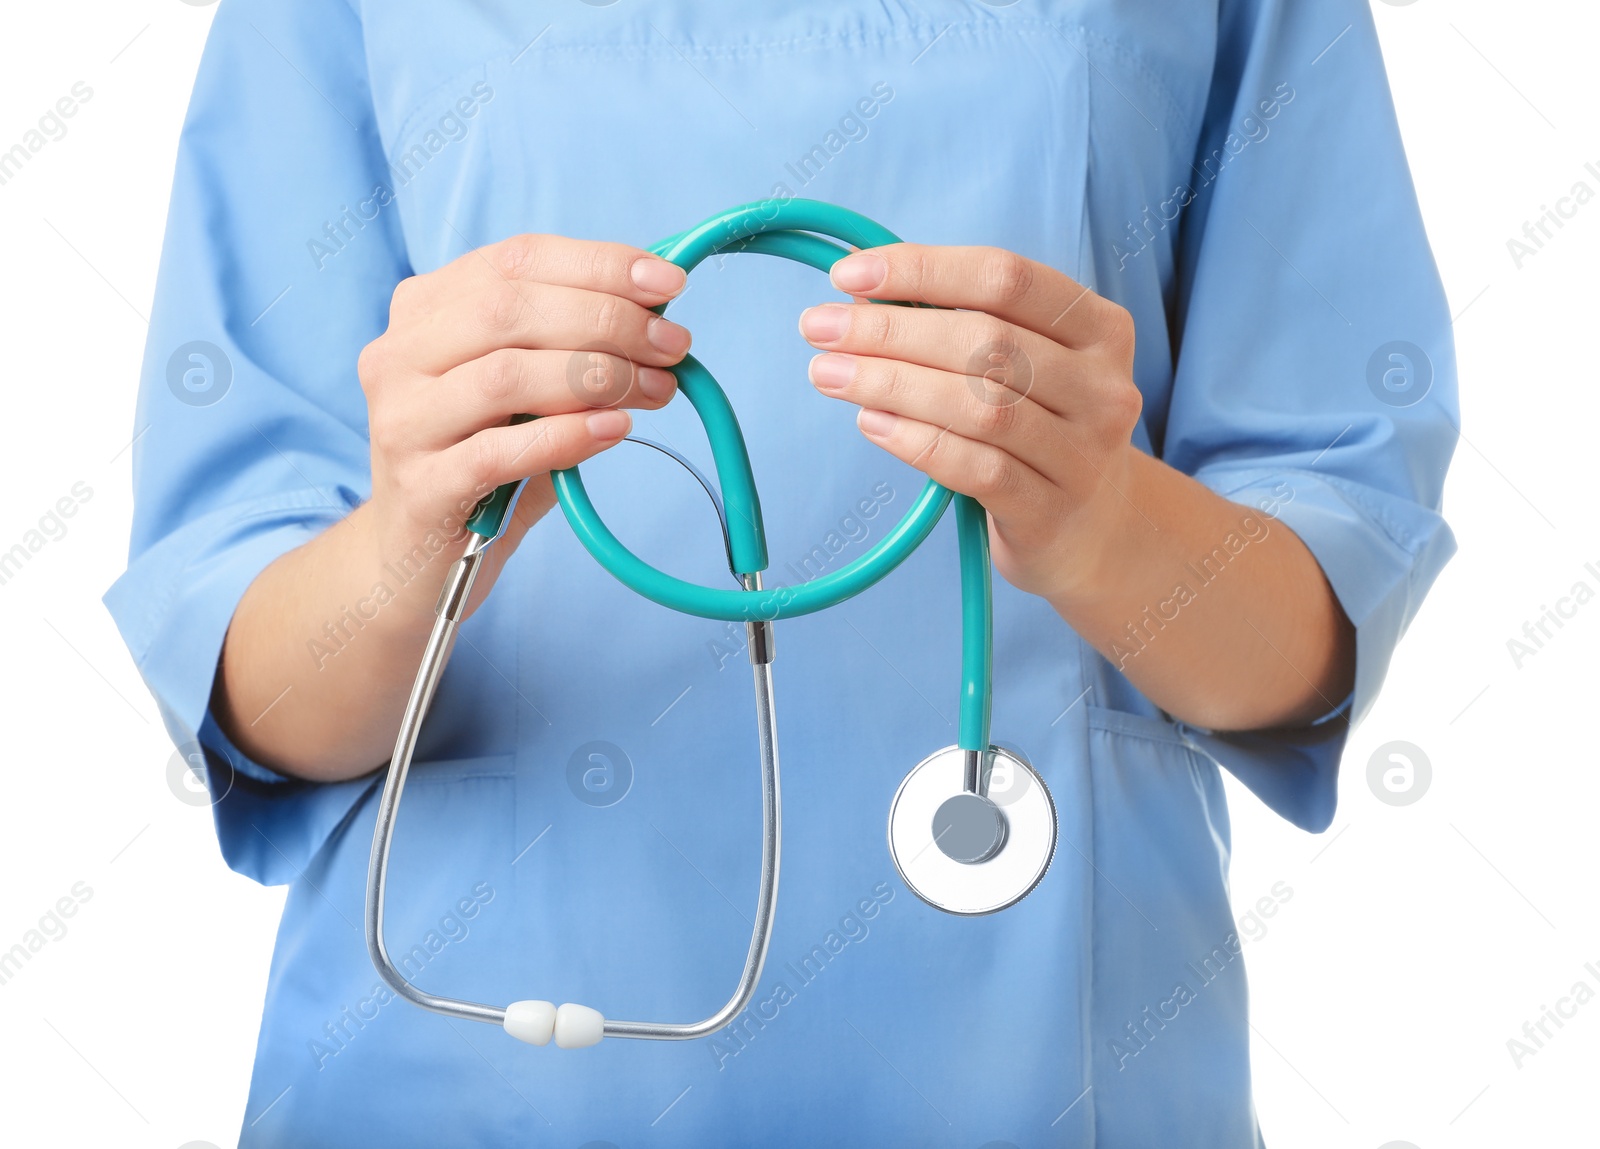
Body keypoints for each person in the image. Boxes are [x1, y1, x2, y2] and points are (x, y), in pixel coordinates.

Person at [105, 0, 1457, 1144]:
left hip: (1047, 1068)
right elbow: (254, 696)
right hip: (467, 1076)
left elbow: (1313, 630)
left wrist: (1107, 525)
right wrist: (414, 540)